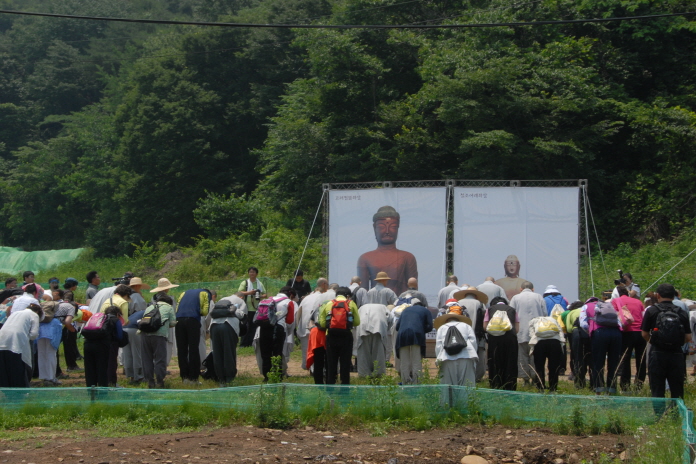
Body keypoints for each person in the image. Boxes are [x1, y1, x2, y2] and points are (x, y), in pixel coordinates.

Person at [641, 283, 691, 399]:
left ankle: (659, 415)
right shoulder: (681, 312)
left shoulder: (652, 311)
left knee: (657, 389)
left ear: (657, 295)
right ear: (674, 296)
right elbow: (688, 337)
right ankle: (676, 415)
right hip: (676, 354)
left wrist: (655, 342)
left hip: (657, 354)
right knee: (677, 389)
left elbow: (644, 334)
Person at [357, 205, 418, 295]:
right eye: (381, 227)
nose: (387, 231)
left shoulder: (408, 257)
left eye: (393, 226)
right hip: (375, 303)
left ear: (398, 228)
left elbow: (413, 289)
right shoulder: (365, 258)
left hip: (401, 304)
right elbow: (363, 292)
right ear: (374, 228)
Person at [580, 296, 622, 394]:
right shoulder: (610, 306)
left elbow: (583, 324)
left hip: (599, 333)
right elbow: (620, 322)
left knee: (598, 362)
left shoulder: (586, 307)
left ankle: (598, 389)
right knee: (613, 363)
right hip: (616, 333)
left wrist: (590, 331)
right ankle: (612, 389)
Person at [318, 286, 361, 385]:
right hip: (346, 336)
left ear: (336, 295)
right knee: (345, 363)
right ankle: (344, 388)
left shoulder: (329, 303)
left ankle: (330, 387)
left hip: (331, 336)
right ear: (348, 296)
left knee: (331, 363)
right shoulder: (351, 303)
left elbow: (322, 323)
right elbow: (357, 322)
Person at [509, 281, 547, 384]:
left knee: (522, 356)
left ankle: (525, 379)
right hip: (537, 332)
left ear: (520, 289)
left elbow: (511, 314)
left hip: (521, 331)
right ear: (533, 289)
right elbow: (545, 314)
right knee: (535, 356)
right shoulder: (539, 297)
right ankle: (535, 378)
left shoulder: (515, 298)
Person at [254, 286, 295, 381]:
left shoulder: (267, 300)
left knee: (265, 353)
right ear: (291, 295)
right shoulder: (289, 302)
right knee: (277, 352)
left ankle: (266, 376)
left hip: (263, 327)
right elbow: (289, 321)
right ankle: (277, 375)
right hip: (278, 328)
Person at [175, 288, 213, 384]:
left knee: (181, 350)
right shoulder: (205, 294)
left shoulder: (184, 292)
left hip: (179, 320)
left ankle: (184, 377)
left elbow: (177, 308)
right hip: (192, 320)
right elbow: (205, 312)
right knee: (193, 349)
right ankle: (194, 378)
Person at [612, 287, 647, 390]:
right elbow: (643, 315)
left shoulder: (616, 301)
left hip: (627, 333)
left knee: (625, 359)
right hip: (640, 332)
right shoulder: (638, 301)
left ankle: (625, 385)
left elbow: (614, 317)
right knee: (641, 360)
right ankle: (639, 384)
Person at [434, 308, 478, 389]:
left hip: (446, 358)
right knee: (466, 387)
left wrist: (439, 360)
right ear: (460, 318)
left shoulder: (442, 328)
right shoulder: (466, 326)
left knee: (448, 388)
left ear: (446, 320)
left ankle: (449, 402)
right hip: (466, 356)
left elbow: (438, 346)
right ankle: (464, 402)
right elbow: (473, 342)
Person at [210, 292, 247, 386]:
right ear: (241, 296)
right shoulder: (240, 301)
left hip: (214, 327)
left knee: (217, 353)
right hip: (228, 326)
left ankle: (220, 379)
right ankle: (229, 378)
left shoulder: (221, 300)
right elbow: (242, 315)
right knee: (228, 352)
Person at [0, 303, 41, 387]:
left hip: (2, 337)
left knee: (4, 366)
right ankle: (20, 389)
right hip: (17, 340)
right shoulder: (34, 315)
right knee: (18, 366)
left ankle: (6, 388)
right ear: (37, 311)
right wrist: (26, 337)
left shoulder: (15, 313)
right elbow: (34, 334)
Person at [141, 295, 177, 389]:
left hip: (145, 334)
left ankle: (150, 381)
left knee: (147, 358)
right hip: (159, 335)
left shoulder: (150, 307)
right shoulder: (169, 307)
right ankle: (160, 381)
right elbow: (173, 322)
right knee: (160, 358)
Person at [84, 305, 125, 387]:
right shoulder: (115, 319)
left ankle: (91, 390)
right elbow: (119, 336)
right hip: (102, 346)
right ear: (117, 314)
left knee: (90, 368)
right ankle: (103, 390)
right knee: (102, 367)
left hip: (87, 344)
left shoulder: (98, 318)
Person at [99, 284, 132, 386]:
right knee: (113, 360)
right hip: (113, 335)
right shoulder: (123, 302)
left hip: (103, 334)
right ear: (126, 294)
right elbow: (124, 321)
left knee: (104, 359)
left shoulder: (107, 301)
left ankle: (103, 381)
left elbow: (101, 317)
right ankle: (112, 382)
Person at [453, 286, 488, 381]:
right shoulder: (480, 304)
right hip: (477, 334)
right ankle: (476, 377)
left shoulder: (459, 303)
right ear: (476, 295)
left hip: (460, 333)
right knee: (478, 356)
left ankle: (461, 375)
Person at [483, 296, 519, 390]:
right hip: (510, 339)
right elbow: (517, 329)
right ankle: (509, 386)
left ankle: (495, 385)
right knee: (510, 362)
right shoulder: (512, 310)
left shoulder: (489, 309)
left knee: (494, 362)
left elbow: (485, 327)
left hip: (494, 339)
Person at [395, 300, 433, 384]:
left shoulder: (405, 310)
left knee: (404, 362)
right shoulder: (426, 311)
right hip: (417, 334)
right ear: (423, 306)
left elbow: (397, 327)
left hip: (402, 334)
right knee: (416, 361)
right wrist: (421, 329)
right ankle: (417, 383)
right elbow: (430, 326)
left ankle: (405, 382)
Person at [296, 278, 329, 370]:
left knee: (307, 351)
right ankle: (316, 371)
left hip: (304, 328)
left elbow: (298, 314)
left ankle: (309, 368)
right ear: (324, 285)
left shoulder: (306, 298)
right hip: (316, 328)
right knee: (317, 351)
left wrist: (298, 328)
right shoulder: (324, 297)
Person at [528, 314, 565, 392]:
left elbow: (531, 334)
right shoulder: (553, 320)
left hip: (539, 343)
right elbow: (560, 331)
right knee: (554, 367)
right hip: (555, 343)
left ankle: (540, 388)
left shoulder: (533, 321)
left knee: (539, 367)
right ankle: (553, 388)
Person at [149, 278, 180, 368]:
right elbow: (173, 312)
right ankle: (163, 366)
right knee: (168, 344)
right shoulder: (170, 299)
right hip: (166, 323)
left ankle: (156, 364)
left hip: (155, 323)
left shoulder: (153, 298)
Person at [355, 302, 392, 377]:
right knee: (378, 351)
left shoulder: (362, 307)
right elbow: (390, 319)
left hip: (362, 325)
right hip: (379, 325)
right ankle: (378, 374)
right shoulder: (384, 307)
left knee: (363, 351)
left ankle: (364, 374)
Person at [563, 301, 590, 388]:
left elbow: (569, 328)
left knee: (577, 357)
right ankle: (593, 383)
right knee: (589, 356)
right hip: (588, 333)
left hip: (576, 333)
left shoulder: (571, 313)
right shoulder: (587, 310)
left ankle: (579, 382)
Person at [37, 303, 64, 386]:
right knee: (51, 356)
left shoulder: (40, 319)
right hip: (51, 339)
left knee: (41, 355)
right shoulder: (55, 320)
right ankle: (51, 377)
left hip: (40, 337)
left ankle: (44, 376)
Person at [238, 267, 266, 347]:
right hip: (246, 307)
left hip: (256, 308)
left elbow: (265, 294)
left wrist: (260, 295)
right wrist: (250, 292)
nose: (252, 274)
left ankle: (252, 343)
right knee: (246, 325)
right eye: (250, 272)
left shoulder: (259, 283)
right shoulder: (245, 283)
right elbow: (240, 292)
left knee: (254, 326)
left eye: (253, 272)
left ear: (256, 274)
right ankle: (243, 344)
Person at [122, 307, 145, 384]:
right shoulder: (149, 312)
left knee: (127, 354)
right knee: (137, 353)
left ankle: (131, 376)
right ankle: (139, 377)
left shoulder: (138, 312)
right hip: (134, 329)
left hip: (124, 328)